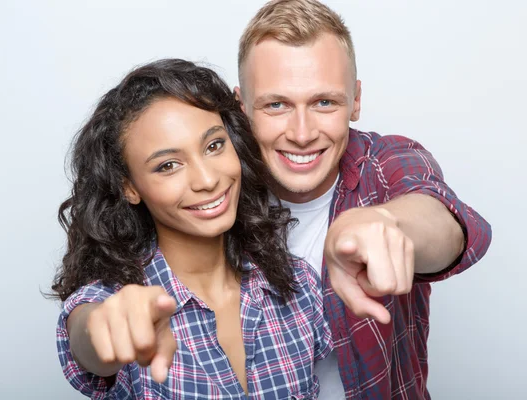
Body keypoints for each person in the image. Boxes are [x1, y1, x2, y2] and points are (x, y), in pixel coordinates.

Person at [233, 0, 492, 399]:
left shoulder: (386, 162)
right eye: (277, 104)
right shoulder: (211, 188)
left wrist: (387, 223)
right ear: (241, 107)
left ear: (355, 100)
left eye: (324, 102)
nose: (302, 134)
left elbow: (449, 225)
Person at [51, 59, 333, 399]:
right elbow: (89, 335)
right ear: (130, 187)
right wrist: (104, 329)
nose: (208, 179)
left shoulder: (298, 284)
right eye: (168, 165)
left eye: (214, 146)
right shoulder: (115, 300)